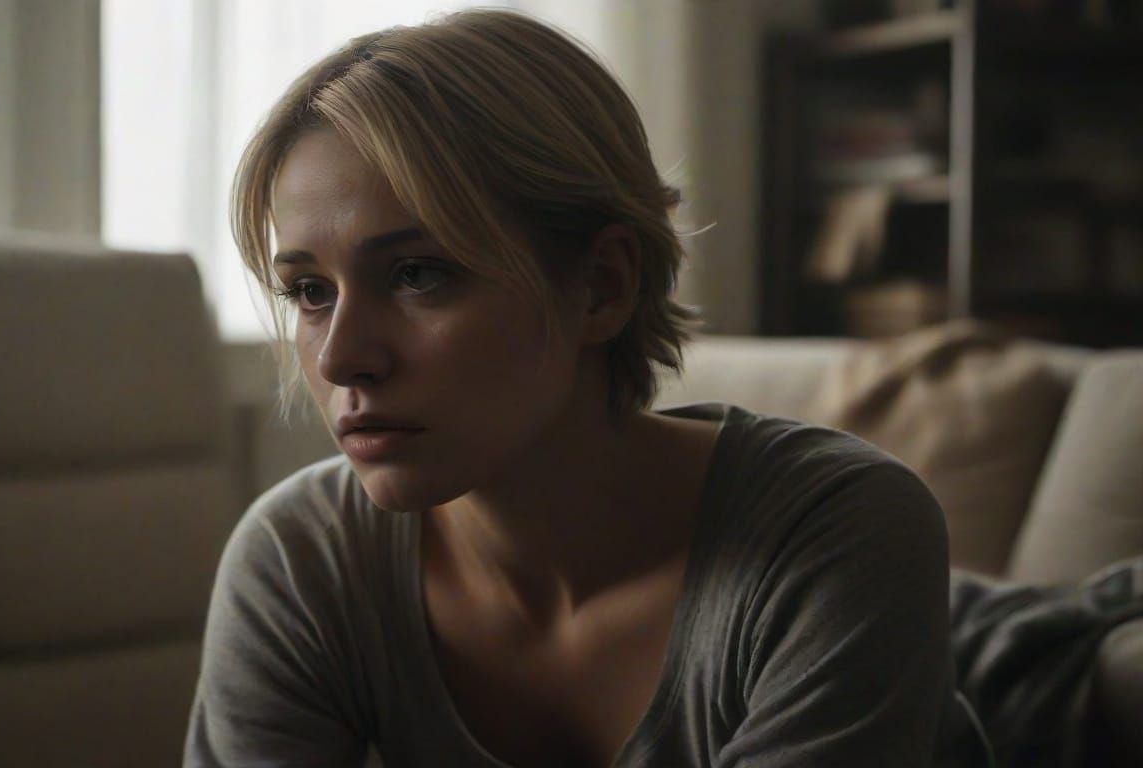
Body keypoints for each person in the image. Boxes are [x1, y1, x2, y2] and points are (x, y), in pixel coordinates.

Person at [186, 9, 981, 767]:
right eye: (310, 293)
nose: (339, 360)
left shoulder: (838, 532)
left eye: (417, 274)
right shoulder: (303, 559)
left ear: (600, 285)